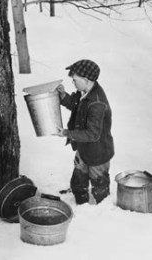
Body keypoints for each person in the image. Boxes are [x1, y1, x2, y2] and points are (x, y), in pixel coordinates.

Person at [53, 59, 114, 205]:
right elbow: (76, 105)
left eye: (75, 80)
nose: (73, 83)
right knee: (78, 181)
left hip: (98, 153)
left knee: (99, 185)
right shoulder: (86, 93)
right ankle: (81, 203)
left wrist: (67, 133)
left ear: (86, 80)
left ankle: (102, 211)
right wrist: (63, 96)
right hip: (84, 148)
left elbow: (92, 134)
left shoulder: (97, 103)